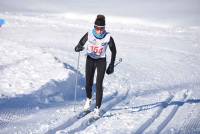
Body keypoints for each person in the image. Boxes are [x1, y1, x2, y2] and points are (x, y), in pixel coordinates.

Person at [74, 14, 117, 117]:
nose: (99, 31)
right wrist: (78, 48)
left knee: (98, 85)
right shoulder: (89, 34)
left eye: (101, 28)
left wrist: (111, 65)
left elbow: (114, 51)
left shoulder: (108, 37)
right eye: (97, 28)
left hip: (101, 61)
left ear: (104, 28)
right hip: (90, 60)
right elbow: (79, 45)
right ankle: (89, 99)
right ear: (94, 27)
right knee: (88, 83)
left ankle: (97, 108)